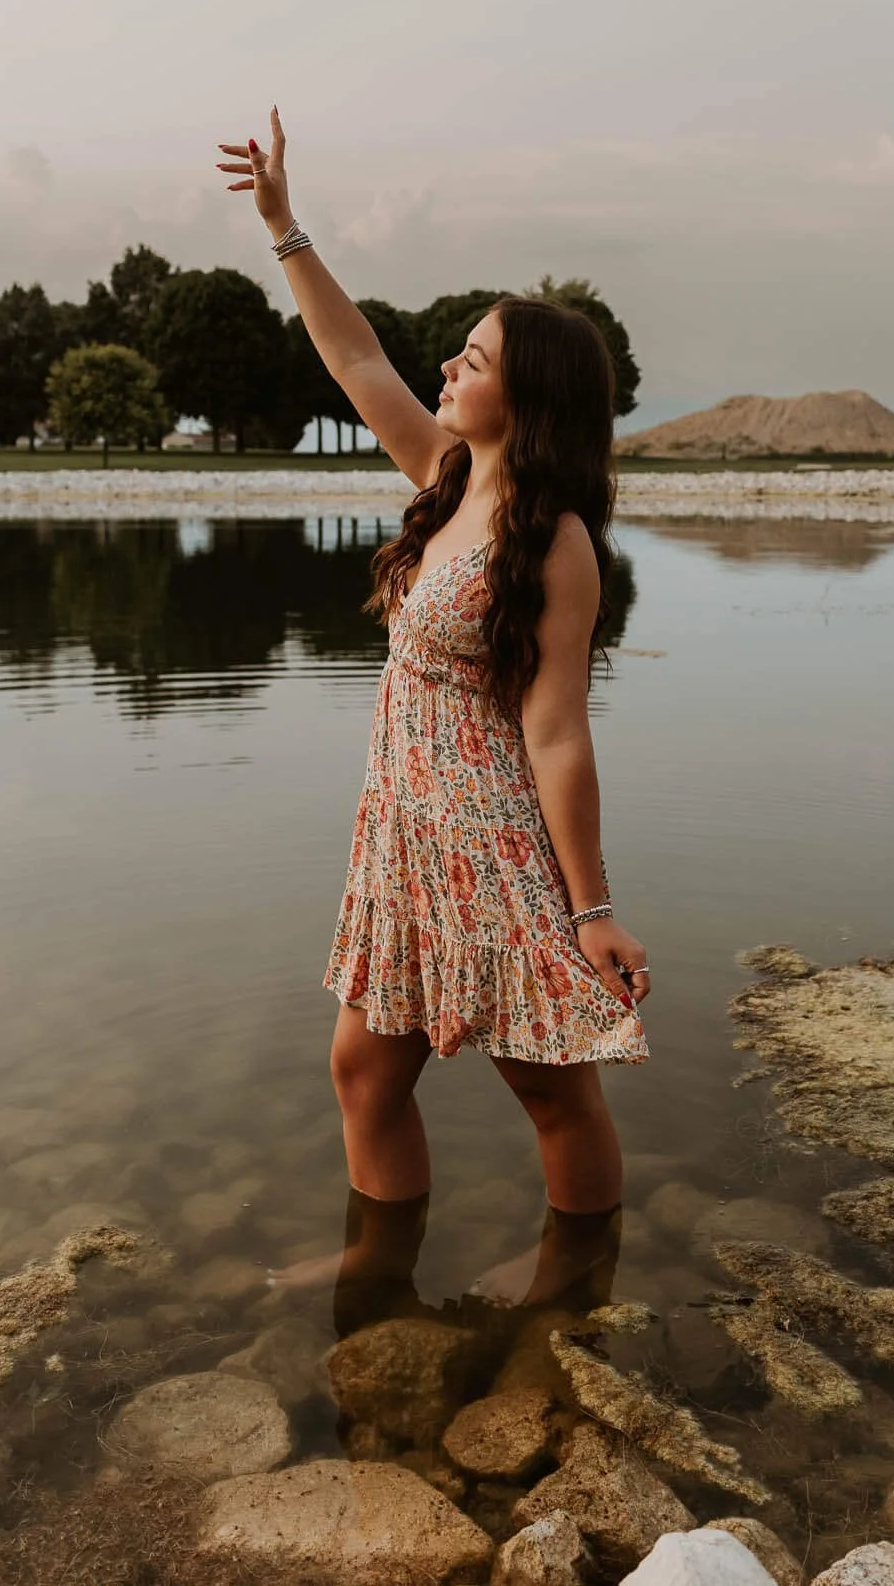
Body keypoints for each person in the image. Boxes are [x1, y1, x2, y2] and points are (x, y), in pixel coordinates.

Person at [217, 110, 650, 1289]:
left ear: (533, 394)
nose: (449, 366)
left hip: (493, 843)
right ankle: (377, 1264)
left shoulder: (556, 544)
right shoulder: (445, 474)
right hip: (404, 834)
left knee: (551, 1084)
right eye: (457, 351)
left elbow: (557, 731)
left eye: (474, 355)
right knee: (363, 1069)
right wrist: (283, 226)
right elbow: (357, 359)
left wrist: (591, 904)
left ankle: (574, 1282)